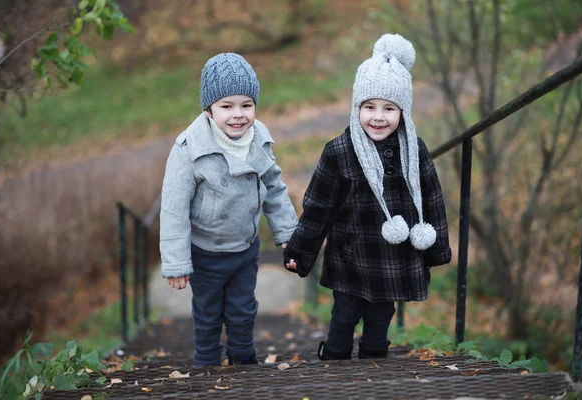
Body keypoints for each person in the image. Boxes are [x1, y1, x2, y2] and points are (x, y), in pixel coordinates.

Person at [283, 33, 452, 360]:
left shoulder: (414, 151)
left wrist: (437, 249)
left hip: (393, 256)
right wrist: (300, 252)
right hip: (351, 255)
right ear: (356, 107)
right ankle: (335, 353)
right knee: (345, 312)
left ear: (403, 111)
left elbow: (432, 201)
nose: (378, 116)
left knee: (381, 313)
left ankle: (375, 356)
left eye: (389, 108)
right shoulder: (339, 152)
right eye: (369, 106)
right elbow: (318, 208)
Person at [160, 53, 298, 367]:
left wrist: (288, 233)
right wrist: (176, 261)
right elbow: (173, 209)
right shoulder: (188, 150)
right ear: (208, 110)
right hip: (206, 251)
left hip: (245, 248)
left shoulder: (258, 139)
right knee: (208, 313)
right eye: (227, 106)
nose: (238, 115)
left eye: (246, 105)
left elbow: (275, 188)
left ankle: (243, 358)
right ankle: (206, 362)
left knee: (243, 309)